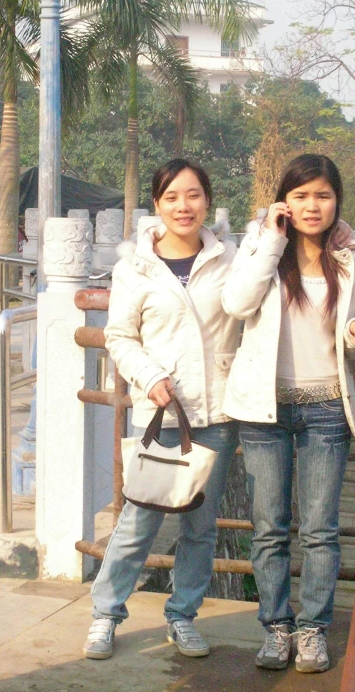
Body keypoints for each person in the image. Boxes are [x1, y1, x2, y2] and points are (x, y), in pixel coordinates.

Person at [222, 153, 355, 673]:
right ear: (284, 200)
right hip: (265, 411)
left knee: (320, 530)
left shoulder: (352, 258)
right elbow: (237, 303)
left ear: (336, 201)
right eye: (302, 195)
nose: (313, 205)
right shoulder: (261, 246)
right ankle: (275, 628)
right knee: (268, 526)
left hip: (326, 408)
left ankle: (312, 631)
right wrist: (272, 239)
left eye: (323, 195)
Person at [84, 159, 240, 661]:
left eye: (193, 195)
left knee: (199, 527)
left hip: (214, 415)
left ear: (207, 201)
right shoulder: (135, 267)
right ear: (157, 205)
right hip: (160, 415)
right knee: (138, 523)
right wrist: (149, 377)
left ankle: (183, 616)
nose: (183, 206)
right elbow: (119, 336)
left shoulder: (229, 259)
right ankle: (106, 615)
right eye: (172, 196)